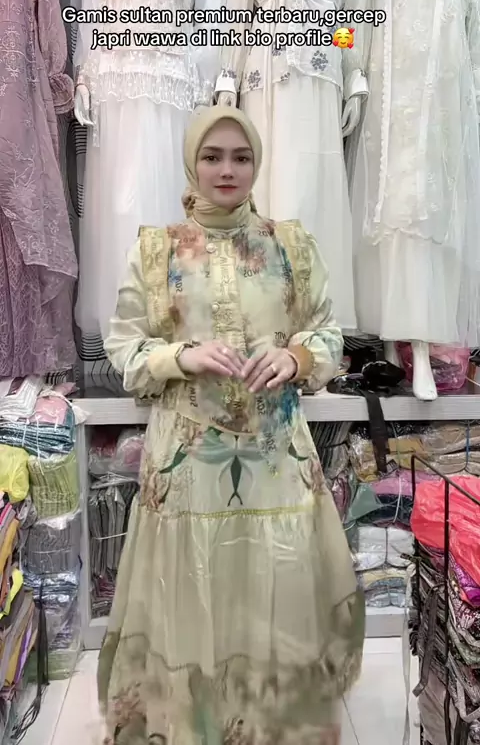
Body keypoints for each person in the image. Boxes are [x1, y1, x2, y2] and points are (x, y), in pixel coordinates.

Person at [97, 105, 365, 745]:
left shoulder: (290, 245)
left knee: (276, 582)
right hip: (187, 463)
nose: (227, 169)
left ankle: (275, 717)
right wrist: (180, 357)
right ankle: (191, 720)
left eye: (241, 157)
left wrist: (297, 357)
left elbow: (327, 332)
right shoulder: (157, 250)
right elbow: (124, 349)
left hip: (276, 458)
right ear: (192, 162)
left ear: (256, 164)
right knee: (191, 588)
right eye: (212, 156)